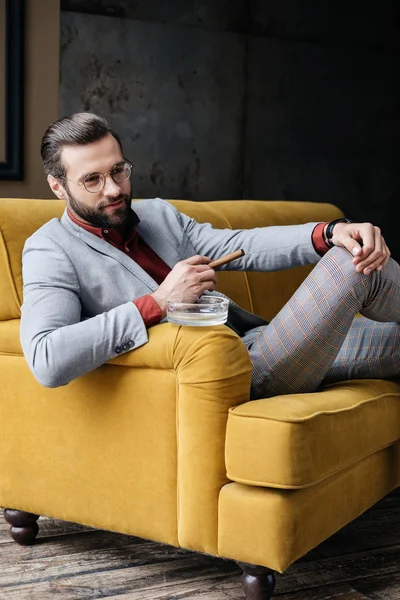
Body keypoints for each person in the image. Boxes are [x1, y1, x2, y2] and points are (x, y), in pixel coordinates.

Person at [20, 112, 400, 399]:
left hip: (259, 343)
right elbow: (47, 358)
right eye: (92, 179)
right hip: (232, 373)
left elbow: (241, 245)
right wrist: (158, 303)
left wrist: (330, 231)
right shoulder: (50, 249)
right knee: (350, 264)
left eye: (118, 170)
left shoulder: (156, 214)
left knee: (353, 247)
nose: (114, 189)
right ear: (58, 187)